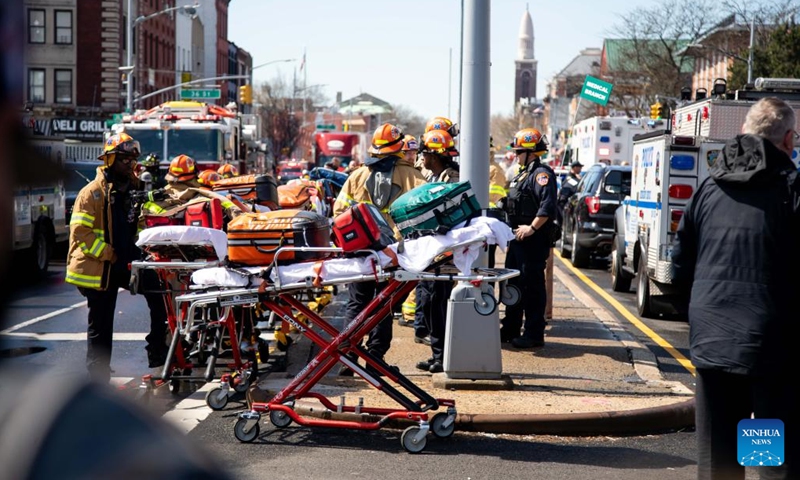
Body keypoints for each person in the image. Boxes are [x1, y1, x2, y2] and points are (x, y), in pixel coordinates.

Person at [672, 97, 799, 480]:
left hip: (712, 341)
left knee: (718, 459)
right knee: (768, 454)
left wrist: (698, 317)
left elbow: (680, 265)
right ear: (789, 140)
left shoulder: (709, 187)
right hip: (770, 349)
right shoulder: (789, 189)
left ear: (744, 133)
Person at [333, 123, 427, 376]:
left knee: (356, 302)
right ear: (399, 148)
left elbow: (339, 212)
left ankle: (348, 355)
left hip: (360, 251)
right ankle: (375, 358)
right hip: (393, 252)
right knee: (383, 305)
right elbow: (423, 216)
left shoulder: (357, 176)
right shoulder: (413, 177)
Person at [65, 133, 143, 382]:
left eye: (132, 160)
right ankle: (98, 376)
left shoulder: (133, 188)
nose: (129, 165)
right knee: (101, 322)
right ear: (109, 160)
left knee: (158, 291)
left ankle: (161, 350)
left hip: (125, 261)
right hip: (101, 266)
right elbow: (80, 232)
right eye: (124, 160)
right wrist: (107, 253)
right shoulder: (91, 194)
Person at [500, 128, 557, 349]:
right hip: (516, 239)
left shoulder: (542, 174)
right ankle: (511, 328)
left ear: (531, 152)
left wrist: (532, 228)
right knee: (512, 284)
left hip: (532, 241)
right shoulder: (522, 174)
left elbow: (547, 206)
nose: (515, 155)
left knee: (532, 287)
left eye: (518, 151)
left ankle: (534, 334)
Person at [414, 129, 460, 373]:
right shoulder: (435, 178)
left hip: (444, 252)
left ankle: (443, 358)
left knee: (438, 302)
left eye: (424, 154)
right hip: (431, 250)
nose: (422, 159)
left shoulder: (452, 179)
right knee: (431, 304)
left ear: (435, 155)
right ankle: (437, 355)